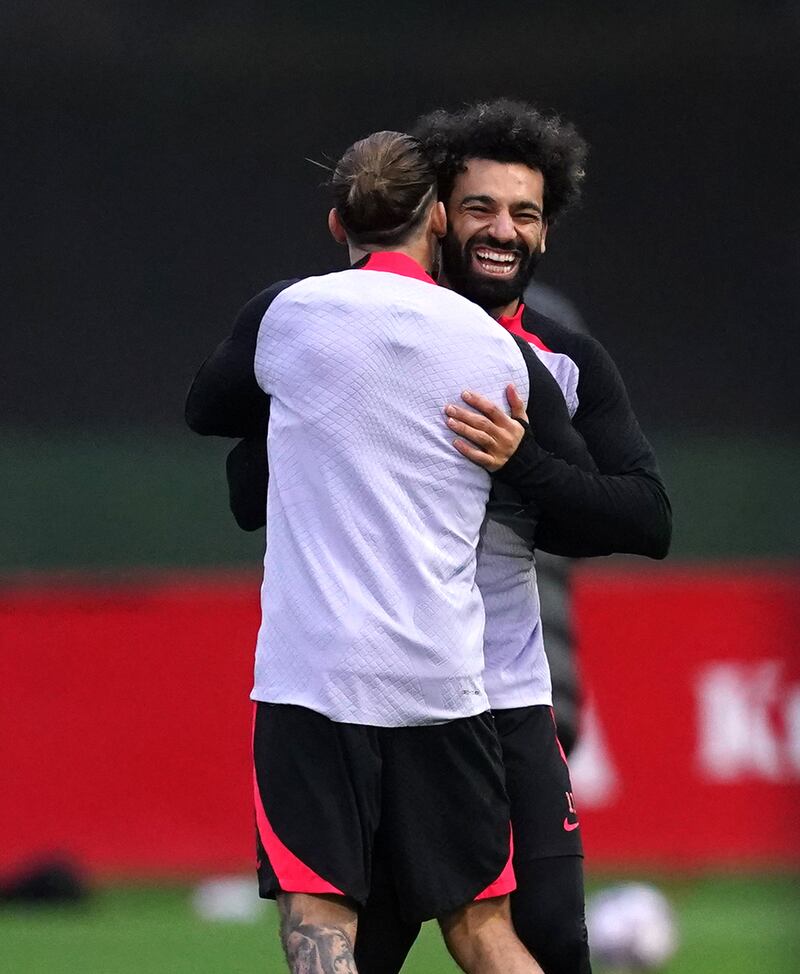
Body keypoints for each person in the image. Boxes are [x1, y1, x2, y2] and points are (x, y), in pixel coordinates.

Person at [187, 101, 672, 974]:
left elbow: (644, 517)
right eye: (481, 208)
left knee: (552, 934)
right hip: (408, 686)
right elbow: (248, 491)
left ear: (547, 233)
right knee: (404, 942)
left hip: (502, 690)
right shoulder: (352, 336)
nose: (502, 231)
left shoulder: (560, 359)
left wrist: (522, 461)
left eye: (525, 214)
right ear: (440, 215)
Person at [212, 129, 549, 974]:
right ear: (436, 219)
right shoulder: (488, 343)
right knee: (483, 931)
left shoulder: (288, 315)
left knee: (322, 921)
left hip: (315, 679)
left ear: (338, 226)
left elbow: (204, 408)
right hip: (443, 676)